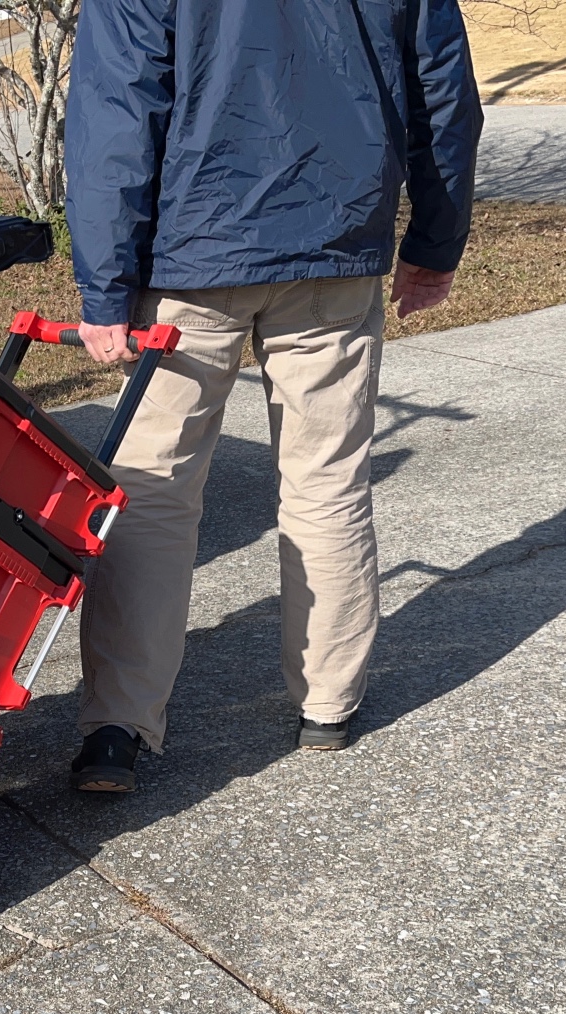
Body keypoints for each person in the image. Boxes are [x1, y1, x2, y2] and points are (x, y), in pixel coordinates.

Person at [64, 0, 482, 792]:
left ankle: (119, 724)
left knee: (152, 490)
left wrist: (105, 285)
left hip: (192, 255)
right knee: (327, 482)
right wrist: (434, 241)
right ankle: (328, 704)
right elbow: (445, 95)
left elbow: (115, 110)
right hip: (334, 241)